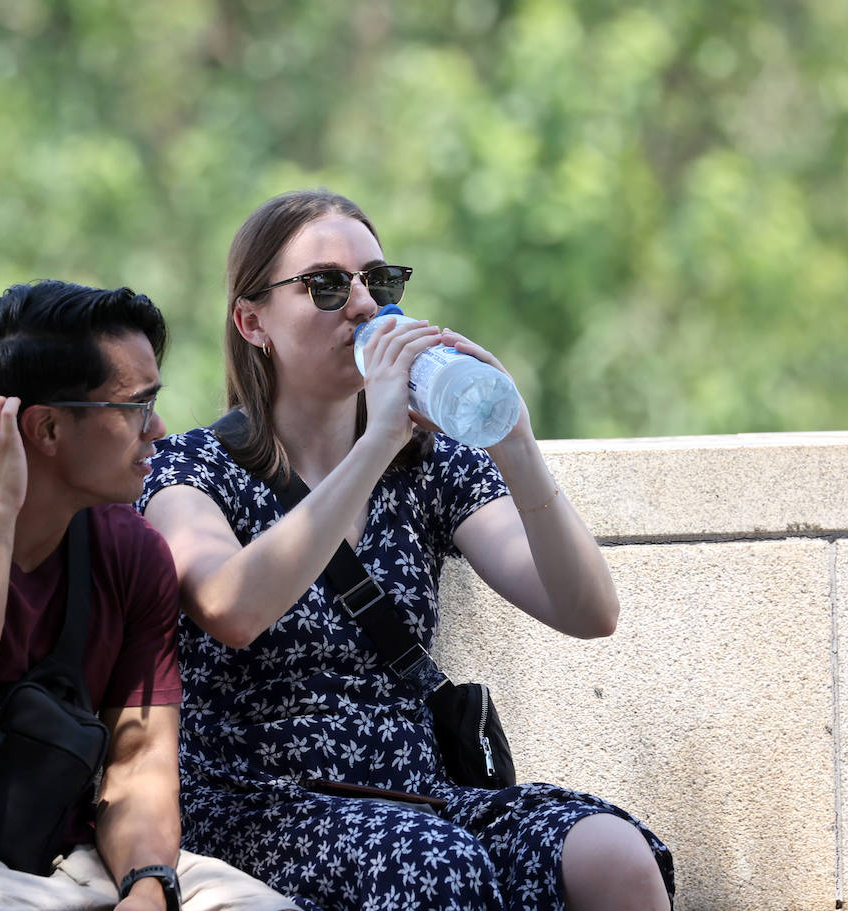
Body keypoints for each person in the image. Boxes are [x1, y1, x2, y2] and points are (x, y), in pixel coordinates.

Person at [136, 191, 675, 911]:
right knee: (437, 864)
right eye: (327, 284)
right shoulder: (191, 468)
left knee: (613, 854)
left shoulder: (428, 465)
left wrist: (514, 441)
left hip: (419, 793)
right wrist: (377, 438)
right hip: (258, 806)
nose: (362, 303)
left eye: (378, 280)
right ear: (252, 320)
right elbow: (231, 608)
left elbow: (589, 610)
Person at [0, 280, 299, 911]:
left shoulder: (131, 550)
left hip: (69, 857)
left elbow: (140, 758)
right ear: (45, 428)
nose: (159, 429)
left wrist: (147, 891)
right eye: (135, 407)